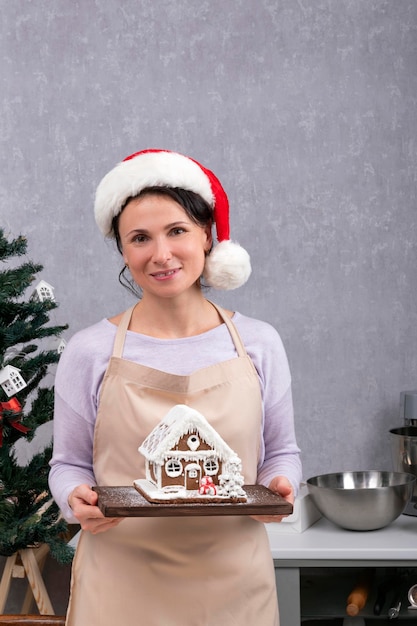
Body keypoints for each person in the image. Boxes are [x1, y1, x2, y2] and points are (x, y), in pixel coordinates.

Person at [49, 148, 302, 626]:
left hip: (233, 584)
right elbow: (68, 465)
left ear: (207, 235)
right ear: (124, 250)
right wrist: (75, 499)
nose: (161, 255)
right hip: (120, 584)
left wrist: (277, 486)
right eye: (140, 238)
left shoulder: (259, 342)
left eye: (177, 231)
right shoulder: (89, 351)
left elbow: (280, 453)